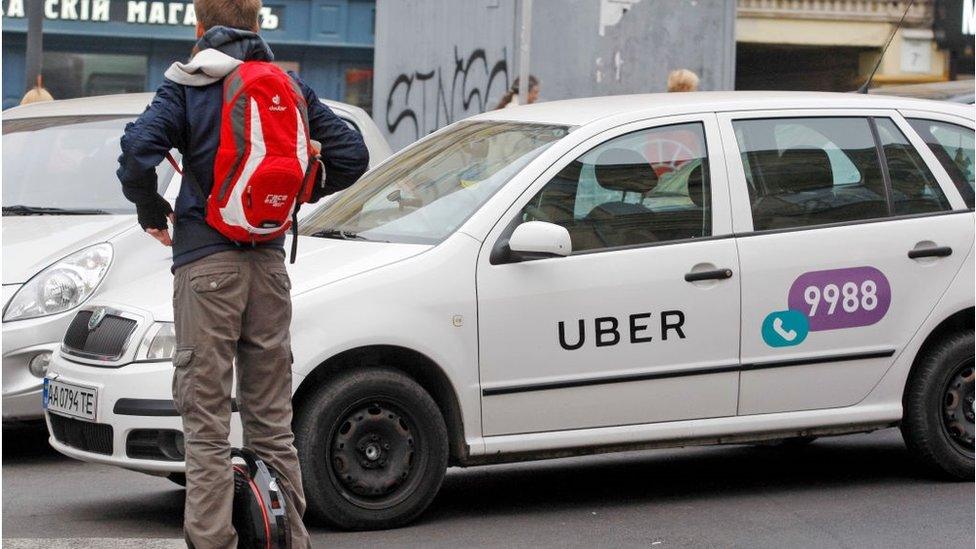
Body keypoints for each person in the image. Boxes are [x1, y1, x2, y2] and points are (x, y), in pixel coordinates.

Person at [115, 0, 369, 547]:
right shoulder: (288, 86)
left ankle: (213, 542)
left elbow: (138, 150)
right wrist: (291, 196)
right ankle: (291, 541)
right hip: (270, 265)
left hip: (206, 266)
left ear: (200, 28)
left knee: (206, 425)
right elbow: (351, 154)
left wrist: (151, 211)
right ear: (257, 26)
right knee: (274, 424)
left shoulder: (188, 82)